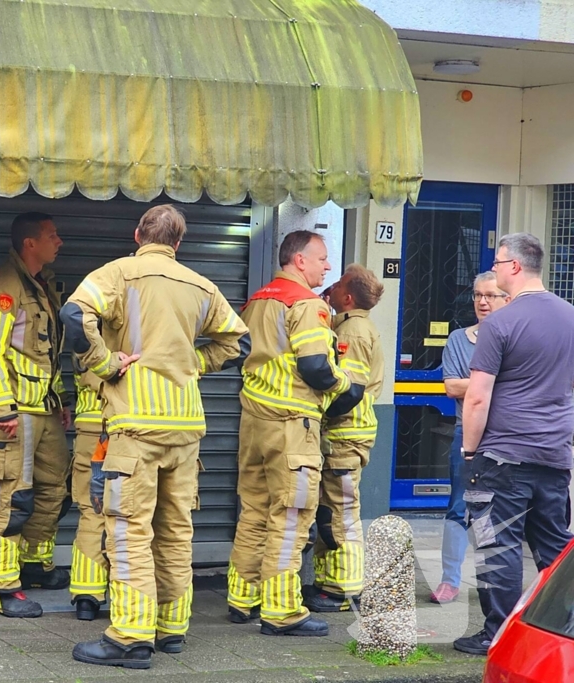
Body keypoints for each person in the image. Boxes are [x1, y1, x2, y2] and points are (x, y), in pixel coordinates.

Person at [61, 204, 250, 669]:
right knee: (175, 530)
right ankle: (172, 629)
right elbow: (237, 342)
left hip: (136, 424)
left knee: (128, 531)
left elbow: (73, 316)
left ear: (138, 234)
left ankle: (129, 637)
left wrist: (105, 363)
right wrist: (193, 365)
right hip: (186, 427)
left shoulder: (117, 273)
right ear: (178, 243)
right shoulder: (200, 285)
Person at [226, 230, 361, 637]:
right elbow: (316, 367)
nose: (329, 267)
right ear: (299, 260)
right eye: (322, 259)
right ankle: (282, 611)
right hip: (292, 426)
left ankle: (242, 597)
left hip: (254, 423)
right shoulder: (306, 305)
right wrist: (345, 387)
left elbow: (239, 357)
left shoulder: (257, 300)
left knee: (253, 510)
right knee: (291, 516)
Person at [454, 233, 574, 656]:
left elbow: (479, 395)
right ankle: (563, 628)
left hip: (503, 455)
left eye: (499, 261)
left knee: (497, 543)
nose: (496, 266)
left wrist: (470, 451)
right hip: (555, 455)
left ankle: (498, 635)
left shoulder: (501, 323)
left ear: (515, 267)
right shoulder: (570, 316)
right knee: (556, 547)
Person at [0, 212, 73, 618]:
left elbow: (46, 354)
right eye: (52, 235)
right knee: (10, 497)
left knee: (53, 493)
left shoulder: (43, 288)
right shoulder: (3, 286)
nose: (59, 241)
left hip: (44, 411)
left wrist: (61, 399)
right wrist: (1, 406)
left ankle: (33, 567)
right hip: (12, 411)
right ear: (30, 243)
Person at [306, 264, 386, 613]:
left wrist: (318, 409)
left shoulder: (353, 331)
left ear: (348, 295)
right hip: (346, 433)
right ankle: (329, 584)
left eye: (337, 284)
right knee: (331, 509)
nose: (331, 285)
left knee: (340, 511)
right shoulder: (350, 323)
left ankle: (343, 590)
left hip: (346, 432)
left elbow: (350, 390)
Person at [430, 272, 509, 605]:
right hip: (466, 432)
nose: (482, 302)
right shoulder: (458, 340)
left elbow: (507, 387)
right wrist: (496, 382)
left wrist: (475, 382)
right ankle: (449, 581)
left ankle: (495, 584)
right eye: (477, 295)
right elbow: (451, 387)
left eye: (490, 295)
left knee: (502, 510)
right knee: (459, 507)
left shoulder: (514, 338)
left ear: (506, 299)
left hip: (506, 436)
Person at [68, 356, 109, 620]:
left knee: (92, 510)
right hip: (131, 427)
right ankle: (130, 596)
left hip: (89, 428)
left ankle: (86, 597)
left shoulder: (84, 321)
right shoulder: (142, 322)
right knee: (133, 515)